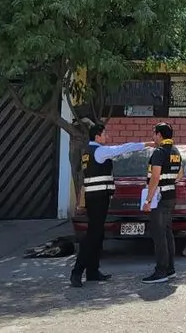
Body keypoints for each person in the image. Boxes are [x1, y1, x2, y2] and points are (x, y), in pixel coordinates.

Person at [70, 122, 153, 288]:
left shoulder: (87, 152)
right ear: (97, 136)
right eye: (105, 134)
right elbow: (121, 149)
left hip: (95, 198)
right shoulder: (99, 151)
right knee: (93, 235)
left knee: (98, 234)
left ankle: (93, 272)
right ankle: (77, 272)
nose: (107, 137)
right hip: (98, 199)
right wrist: (144, 144)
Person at [142, 122, 183, 284]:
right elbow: (180, 174)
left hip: (159, 199)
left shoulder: (159, 152)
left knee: (159, 236)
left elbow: (155, 177)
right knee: (167, 234)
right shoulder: (175, 151)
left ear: (159, 135)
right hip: (170, 196)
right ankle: (170, 269)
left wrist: (148, 199)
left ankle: (161, 271)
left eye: (154, 134)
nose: (153, 137)